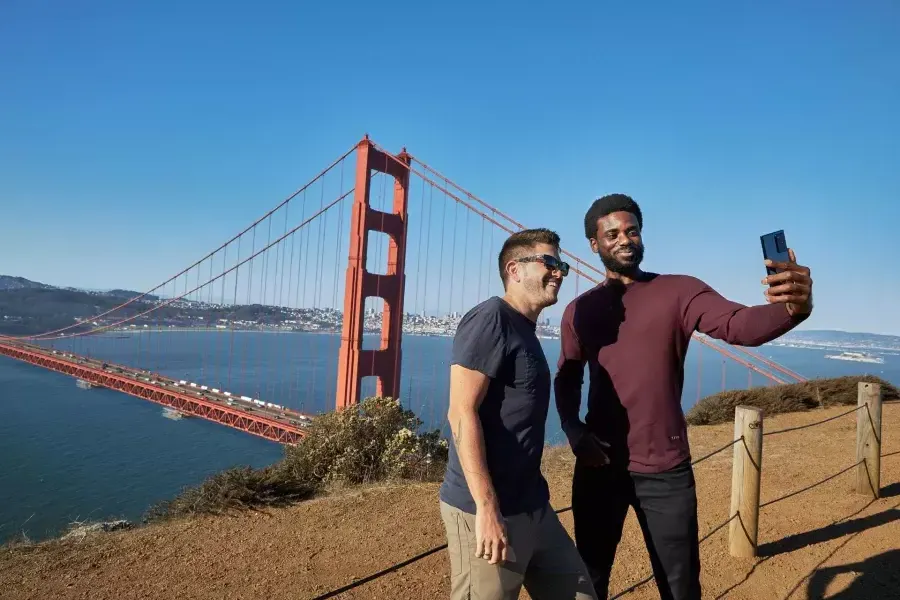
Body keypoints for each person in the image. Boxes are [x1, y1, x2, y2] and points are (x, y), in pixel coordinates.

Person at [554, 194, 813, 600]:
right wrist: (573, 429)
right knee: (588, 579)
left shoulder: (679, 291)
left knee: (680, 587)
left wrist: (794, 308)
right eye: (612, 233)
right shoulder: (577, 311)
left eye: (632, 230)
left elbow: (738, 324)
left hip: (665, 468)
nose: (625, 239)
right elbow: (567, 378)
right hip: (598, 465)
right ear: (593, 244)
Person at [439, 228, 598, 600]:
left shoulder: (524, 328)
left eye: (563, 265)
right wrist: (487, 509)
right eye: (550, 262)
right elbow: (461, 413)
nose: (560, 272)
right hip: (487, 509)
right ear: (514, 269)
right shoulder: (491, 317)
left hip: (532, 504)